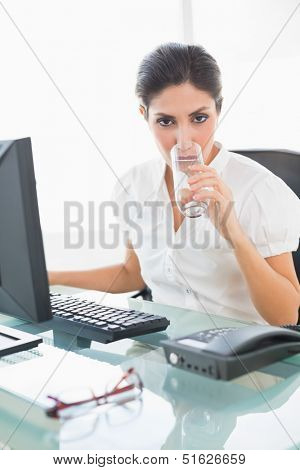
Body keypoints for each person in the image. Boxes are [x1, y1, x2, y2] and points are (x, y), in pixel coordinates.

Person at [49, 42, 300, 325]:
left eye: (199, 118)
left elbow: (285, 315)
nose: (184, 140)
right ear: (144, 115)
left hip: (244, 355)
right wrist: (47, 278)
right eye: (166, 122)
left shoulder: (259, 190)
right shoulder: (134, 185)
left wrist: (234, 234)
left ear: (218, 110)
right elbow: (133, 273)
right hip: (165, 350)